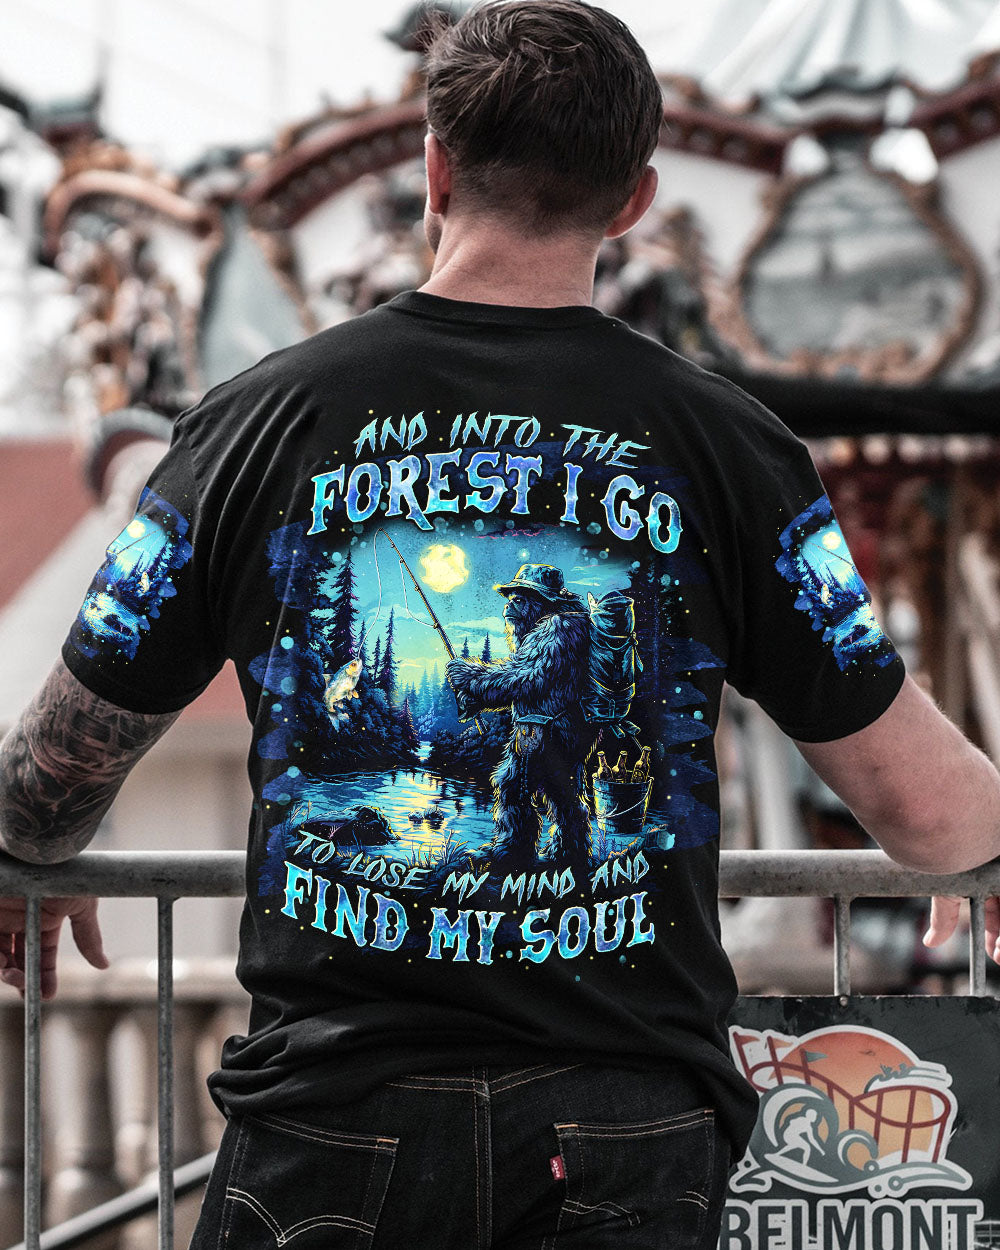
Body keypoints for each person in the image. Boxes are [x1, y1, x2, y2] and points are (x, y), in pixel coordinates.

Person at [2, 2, 1000, 1246]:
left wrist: (35, 854)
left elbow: (60, 750)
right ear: (634, 200)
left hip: (334, 1111)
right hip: (622, 1121)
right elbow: (924, 807)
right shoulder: (729, 446)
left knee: (530, 799)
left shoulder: (256, 421)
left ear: (434, 169)